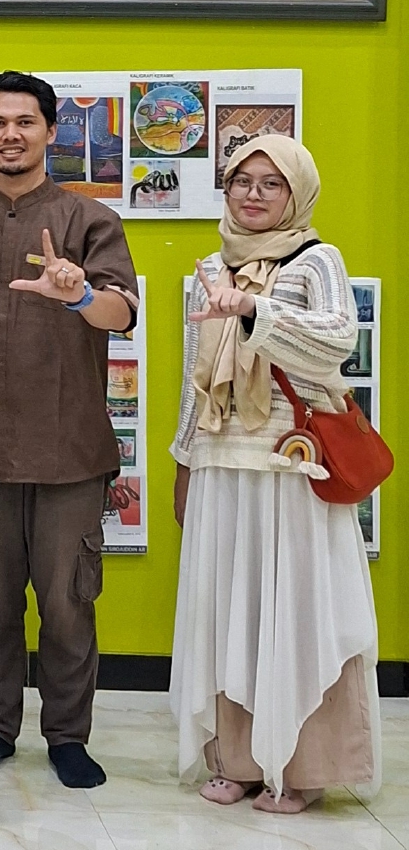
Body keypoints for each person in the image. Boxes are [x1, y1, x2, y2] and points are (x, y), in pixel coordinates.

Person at [0, 71, 138, 790]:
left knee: (66, 604)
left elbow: (120, 312)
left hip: (69, 450)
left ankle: (67, 735)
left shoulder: (89, 219)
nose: (10, 133)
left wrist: (78, 291)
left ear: (51, 131)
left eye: (25, 121)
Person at [170, 135, 377, 813]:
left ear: (296, 193)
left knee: (295, 610)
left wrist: (255, 309)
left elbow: (334, 340)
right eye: (240, 181)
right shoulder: (209, 264)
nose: (252, 194)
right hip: (222, 465)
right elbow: (192, 378)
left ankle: (306, 765)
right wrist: (182, 460)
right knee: (231, 610)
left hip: (291, 467)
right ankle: (239, 760)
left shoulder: (317, 258)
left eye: (270, 183)